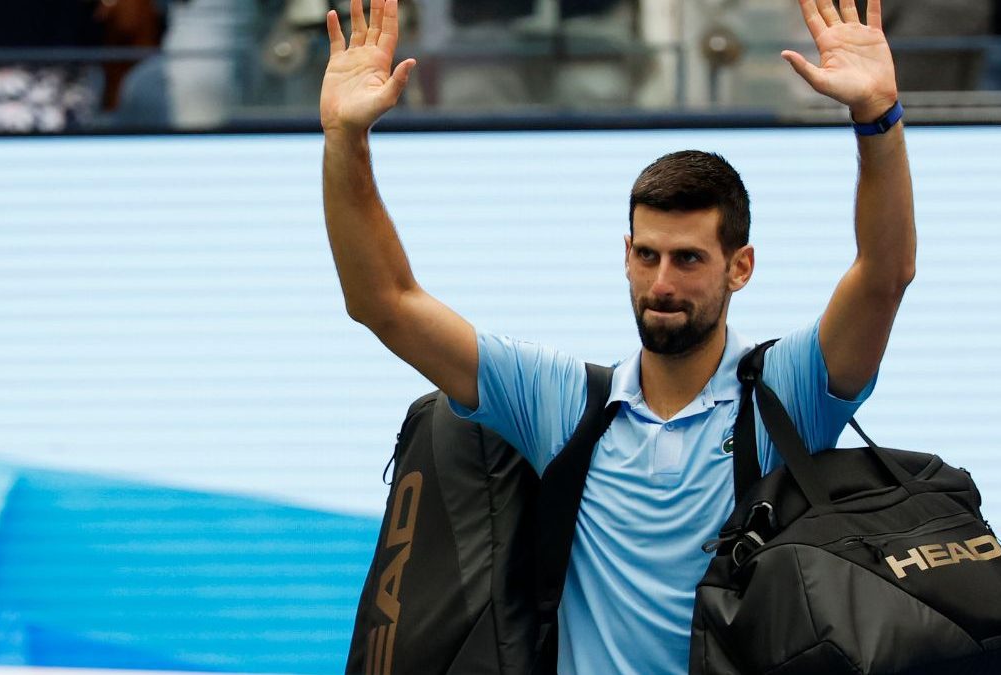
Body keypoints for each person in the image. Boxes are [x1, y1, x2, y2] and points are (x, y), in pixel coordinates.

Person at [319, 0, 915, 672]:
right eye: (648, 255)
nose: (662, 281)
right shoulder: (564, 400)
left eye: (689, 259)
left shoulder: (787, 393)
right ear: (626, 253)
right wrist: (345, 139)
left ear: (739, 267)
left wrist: (878, 119)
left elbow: (884, 276)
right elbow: (385, 302)